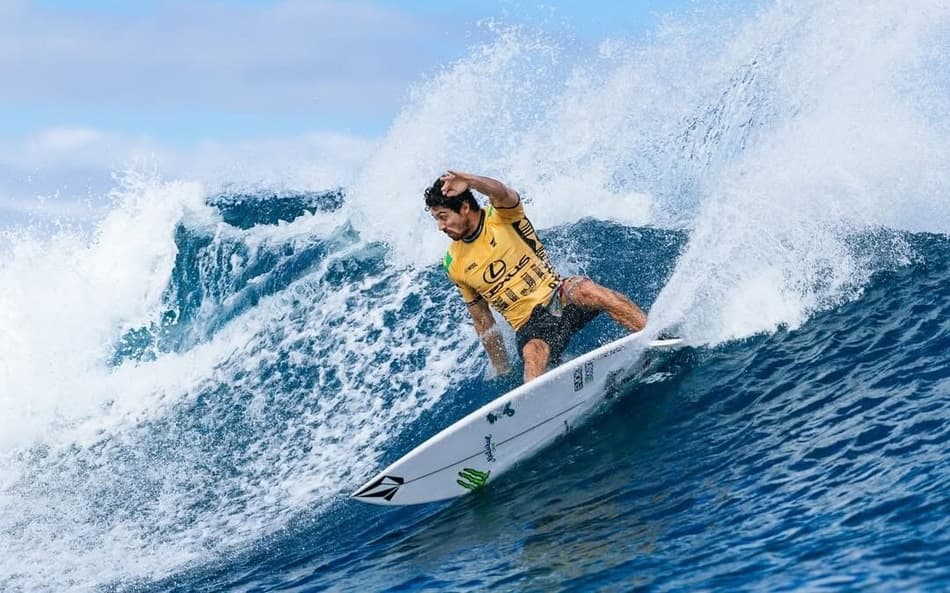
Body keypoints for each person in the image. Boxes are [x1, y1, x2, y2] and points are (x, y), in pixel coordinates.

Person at [425, 170, 648, 382]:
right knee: (533, 352)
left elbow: (501, 192)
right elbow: (482, 319)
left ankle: (652, 333)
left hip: (558, 296)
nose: (440, 226)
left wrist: (470, 181)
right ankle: (541, 406)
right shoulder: (454, 264)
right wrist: (502, 368)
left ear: (464, 207)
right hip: (529, 325)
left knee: (586, 290)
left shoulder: (502, 215)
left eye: (443, 217)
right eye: (436, 219)